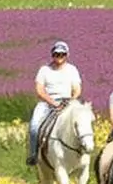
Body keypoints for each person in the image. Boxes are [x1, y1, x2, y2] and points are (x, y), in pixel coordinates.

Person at [26, 38, 83, 166]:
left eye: (62, 54)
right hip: (47, 102)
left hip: (67, 101)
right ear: (52, 55)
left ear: (67, 55)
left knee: (83, 122)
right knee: (34, 126)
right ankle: (33, 154)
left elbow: (77, 89)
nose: (59, 57)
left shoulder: (72, 70)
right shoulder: (44, 70)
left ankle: (83, 151)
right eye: (56, 54)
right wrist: (53, 103)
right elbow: (39, 90)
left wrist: (70, 101)